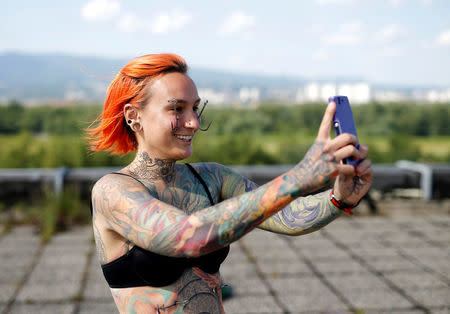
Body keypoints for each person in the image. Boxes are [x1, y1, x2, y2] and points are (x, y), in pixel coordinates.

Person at [87, 53, 372, 314]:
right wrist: (298, 178)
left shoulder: (212, 178)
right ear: (133, 117)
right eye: (177, 109)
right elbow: (186, 237)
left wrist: (340, 198)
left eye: (195, 108)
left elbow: (288, 216)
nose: (194, 123)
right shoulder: (112, 191)